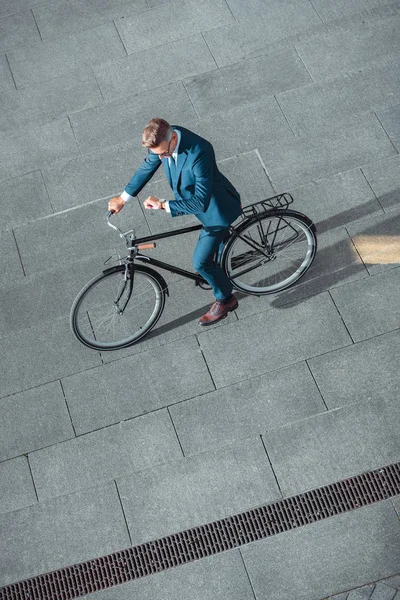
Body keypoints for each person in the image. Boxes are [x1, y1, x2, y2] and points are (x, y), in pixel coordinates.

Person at [108, 118, 242, 325]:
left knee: (201, 262)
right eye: (157, 154)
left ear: (172, 137)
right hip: (198, 202)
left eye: (163, 153)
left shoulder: (199, 151)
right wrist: (122, 199)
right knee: (212, 259)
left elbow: (200, 202)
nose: (160, 157)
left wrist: (163, 205)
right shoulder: (164, 141)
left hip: (216, 211)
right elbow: (147, 167)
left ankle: (226, 299)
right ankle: (220, 262)